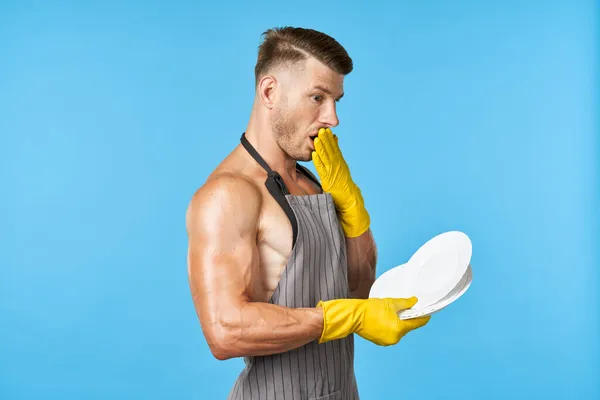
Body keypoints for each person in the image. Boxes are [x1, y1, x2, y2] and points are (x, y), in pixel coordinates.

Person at [186, 26, 431, 400]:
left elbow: (359, 290)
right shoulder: (229, 194)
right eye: (317, 97)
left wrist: (352, 208)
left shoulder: (315, 184)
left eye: (336, 100)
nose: (332, 118)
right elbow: (224, 331)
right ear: (270, 92)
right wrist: (340, 319)